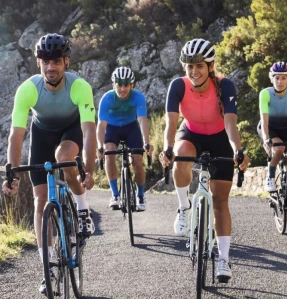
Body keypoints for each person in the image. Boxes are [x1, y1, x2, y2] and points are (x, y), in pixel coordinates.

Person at [2, 33, 96, 294]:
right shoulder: (28, 89)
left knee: (64, 159)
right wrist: (12, 172)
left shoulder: (79, 86)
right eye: (45, 61)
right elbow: (17, 134)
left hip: (71, 130)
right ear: (38, 63)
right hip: (41, 134)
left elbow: (89, 132)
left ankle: (82, 208)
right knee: (40, 201)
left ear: (66, 62)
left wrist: (89, 168)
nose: (50, 67)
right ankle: (48, 267)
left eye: (56, 61)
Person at [158, 38, 250, 282]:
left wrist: (237, 150)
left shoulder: (225, 85)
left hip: (220, 137)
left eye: (200, 66)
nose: (194, 71)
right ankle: (183, 207)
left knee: (220, 202)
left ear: (210, 66)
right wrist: (168, 148)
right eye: (189, 66)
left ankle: (223, 259)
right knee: (181, 153)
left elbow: (230, 123)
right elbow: (171, 122)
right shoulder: (178, 85)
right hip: (191, 134)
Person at [96, 66, 153, 211]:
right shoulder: (107, 98)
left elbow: (142, 120)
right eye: (119, 85)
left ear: (132, 85)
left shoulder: (138, 97)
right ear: (113, 85)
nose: (122, 89)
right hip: (112, 129)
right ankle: (115, 195)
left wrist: (147, 143)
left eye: (126, 85)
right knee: (109, 154)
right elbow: (101, 126)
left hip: (131, 128)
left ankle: (140, 195)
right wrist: (99, 146)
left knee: (138, 163)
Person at [257, 61, 287, 191]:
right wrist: (266, 139)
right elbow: (264, 119)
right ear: (271, 79)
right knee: (279, 148)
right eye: (277, 77)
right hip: (271, 128)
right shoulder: (265, 94)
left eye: (283, 78)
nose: (280, 81)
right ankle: (270, 178)